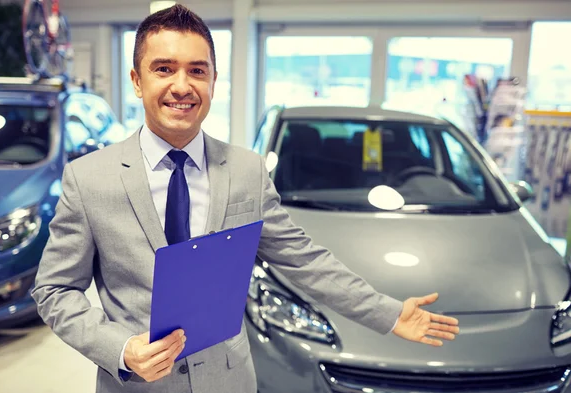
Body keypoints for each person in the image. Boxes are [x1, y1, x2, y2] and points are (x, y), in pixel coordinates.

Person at [31, 4, 459, 393]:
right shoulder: (89, 179)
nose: (182, 86)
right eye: (164, 69)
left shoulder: (246, 171)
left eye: (197, 71)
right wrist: (121, 349)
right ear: (137, 80)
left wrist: (387, 313)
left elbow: (304, 259)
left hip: (229, 381)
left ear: (214, 81)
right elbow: (54, 290)